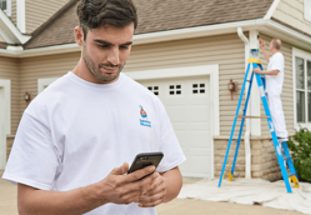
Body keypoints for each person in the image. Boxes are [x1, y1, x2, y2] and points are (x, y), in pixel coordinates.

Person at [2, 0, 186, 214]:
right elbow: (29, 206)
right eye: (103, 45)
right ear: (80, 36)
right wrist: (101, 193)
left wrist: (161, 189)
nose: (114, 59)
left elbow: (173, 174)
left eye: (124, 46)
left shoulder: (147, 100)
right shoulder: (45, 109)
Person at [254, 38, 288, 141]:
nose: (269, 45)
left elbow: (275, 72)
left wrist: (261, 72)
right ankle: (279, 133)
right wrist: (262, 48)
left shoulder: (279, 56)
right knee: (274, 111)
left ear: (273, 46)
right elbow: (269, 60)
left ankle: (282, 134)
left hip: (274, 88)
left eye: (270, 44)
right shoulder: (275, 57)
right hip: (271, 89)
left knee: (277, 111)